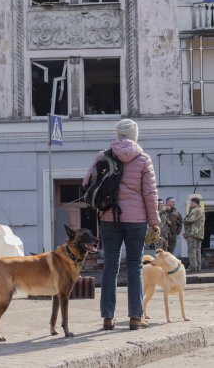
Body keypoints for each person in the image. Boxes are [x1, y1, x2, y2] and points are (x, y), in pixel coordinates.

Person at [82, 119, 160, 331]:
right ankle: (136, 317)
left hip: (109, 217)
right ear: (135, 135)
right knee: (135, 266)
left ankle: (108, 317)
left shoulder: (104, 155)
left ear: (117, 135)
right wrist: (154, 223)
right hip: (136, 220)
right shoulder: (143, 159)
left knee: (110, 266)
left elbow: (86, 182)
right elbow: (150, 194)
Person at [184, 197, 205, 272]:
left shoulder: (195, 210)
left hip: (193, 233)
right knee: (197, 251)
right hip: (199, 234)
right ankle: (198, 267)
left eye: (191, 202)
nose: (190, 204)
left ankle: (193, 267)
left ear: (195, 203)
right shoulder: (201, 210)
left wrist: (185, 219)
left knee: (191, 250)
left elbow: (189, 220)